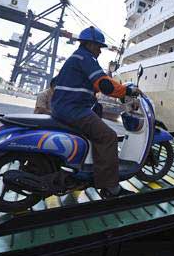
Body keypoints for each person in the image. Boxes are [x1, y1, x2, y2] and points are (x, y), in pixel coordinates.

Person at [51, 27, 139, 198]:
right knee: (108, 136)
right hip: (73, 109)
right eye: (98, 46)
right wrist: (127, 92)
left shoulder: (75, 58)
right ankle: (110, 188)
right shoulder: (86, 58)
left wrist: (118, 94)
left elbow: (90, 85)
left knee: (96, 130)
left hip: (62, 107)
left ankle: (88, 168)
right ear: (89, 44)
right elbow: (104, 84)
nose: (100, 50)